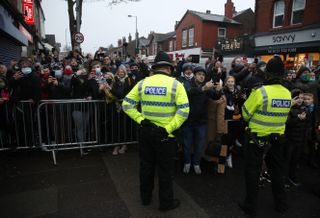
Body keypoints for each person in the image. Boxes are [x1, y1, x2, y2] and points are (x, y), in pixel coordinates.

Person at [122, 51, 189, 211]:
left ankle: (145, 199)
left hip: (146, 133)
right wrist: (168, 129)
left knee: (146, 167)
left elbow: (126, 105)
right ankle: (165, 203)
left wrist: (141, 120)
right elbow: (184, 111)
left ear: (155, 68)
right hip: (166, 136)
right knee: (165, 171)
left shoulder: (142, 83)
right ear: (169, 68)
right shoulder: (176, 85)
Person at [239, 56, 291, 216]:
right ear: (282, 75)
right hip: (277, 139)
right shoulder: (287, 93)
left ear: (267, 74)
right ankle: (281, 204)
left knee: (253, 172)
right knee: (277, 172)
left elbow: (245, 114)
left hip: (257, 139)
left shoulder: (260, 92)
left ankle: (250, 206)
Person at [181, 66, 222, 174]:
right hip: (188, 121)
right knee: (187, 145)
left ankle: (196, 164)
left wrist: (218, 90)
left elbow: (215, 97)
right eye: (199, 74)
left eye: (203, 75)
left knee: (199, 146)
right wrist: (202, 89)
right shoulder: (188, 84)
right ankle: (187, 163)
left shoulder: (206, 87)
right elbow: (188, 93)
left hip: (201, 122)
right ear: (194, 76)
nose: (201, 76)